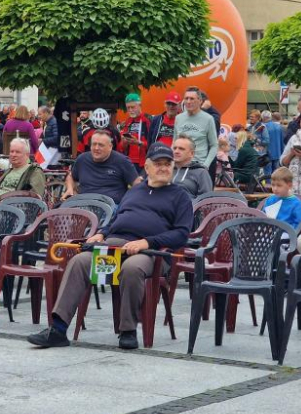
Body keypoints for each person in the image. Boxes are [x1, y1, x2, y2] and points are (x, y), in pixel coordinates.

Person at [28, 143, 192, 350]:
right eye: (158, 164)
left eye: (167, 164)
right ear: (147, 168)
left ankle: (128, 330)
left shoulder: (180, 196)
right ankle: (58, 329)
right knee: (79, 262)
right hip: (115, 246)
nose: (163, 168)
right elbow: (116, 219)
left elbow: (182, 233)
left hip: (151, 252)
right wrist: (101, 234)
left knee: (132, 268)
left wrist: (147, 242)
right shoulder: (134, 191)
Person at [62, 130, 140, 204]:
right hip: (85, 205)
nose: (96, 148)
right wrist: (70, 188)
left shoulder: (122, 161)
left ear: (110, 146)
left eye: (101, 145)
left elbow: (137, 185)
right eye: (94, 144)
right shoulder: (82, 159)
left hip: (112, 208)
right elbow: (71, 176)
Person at [0, 139, 46, 203]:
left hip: (15, 209)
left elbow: (35, 199)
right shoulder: (9, 170)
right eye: (12, 152)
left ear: (27, 154)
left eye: (18, 152)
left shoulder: (34, 171)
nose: (13, 155)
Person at [174, 87, 217, 168]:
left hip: (198, 166)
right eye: (186, 98)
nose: (188, 101)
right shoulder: (178, 118)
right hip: (180, 165)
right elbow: (174, 142)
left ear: (200, 101)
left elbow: (214, 145)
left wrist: (205, 165)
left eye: (192, 99)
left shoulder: (208, 119)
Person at [171, 135, 213, 199]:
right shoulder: (166, 170)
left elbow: (206, 201)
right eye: (174, 148)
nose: (176, 151)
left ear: (192, 153)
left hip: (188, 207)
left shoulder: (201, 173)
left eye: (181, 149)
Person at [118, 93, 151, 169]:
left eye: (133, 107)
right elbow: (122, 147)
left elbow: (153, 142)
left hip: (144, 162)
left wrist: (138, 143)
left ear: (140, 106)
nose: (130, 110)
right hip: (129, 161)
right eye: (128, 108)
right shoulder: (128, 121)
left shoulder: (148, 120)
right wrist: (124, 142)